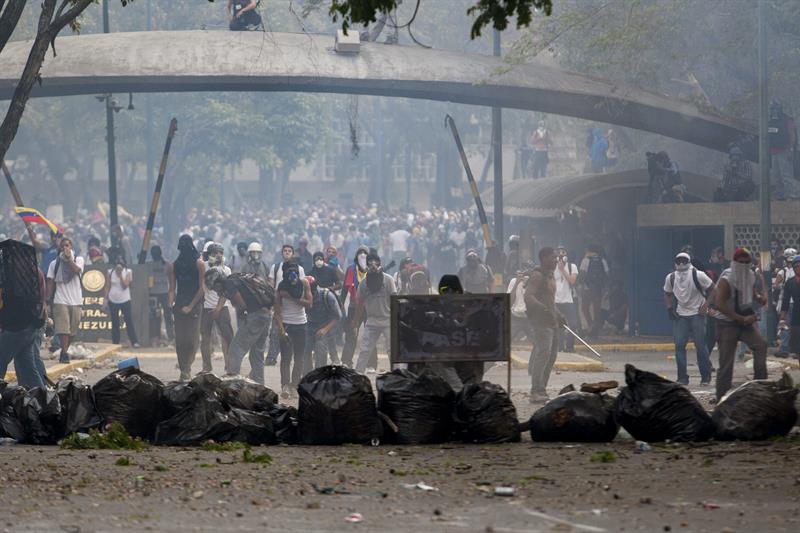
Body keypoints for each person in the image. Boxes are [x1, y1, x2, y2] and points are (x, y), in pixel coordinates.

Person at [713, 247, 768, 400]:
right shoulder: (727, 278)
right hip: (726, 323)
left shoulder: (750, 275)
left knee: (761, 345)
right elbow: (719, 304)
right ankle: (721, 397)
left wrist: (758, 298)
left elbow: (748, 291)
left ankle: (759, 390)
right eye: (740, 262)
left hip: (744, 321)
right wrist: (741, 318)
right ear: (735, 262)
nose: (743, 264)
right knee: (726, 363)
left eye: (746, 262)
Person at [205, 268, 274, 384]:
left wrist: (242, 314)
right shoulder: (237, 279)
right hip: (265, 315)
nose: (216, 291)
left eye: (215, 287)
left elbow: (241, 305)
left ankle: (233, 384)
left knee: (235, 349)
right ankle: (259, 384)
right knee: (257, 352)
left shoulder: (229, 284)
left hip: (255, 316)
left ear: (219, 281)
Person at [0, 240, 48, 389]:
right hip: (32, 325)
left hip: (17, 326)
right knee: (27, 366)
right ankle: (44, 401)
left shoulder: (13, 275)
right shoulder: (34, 272)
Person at [663, 252, 713, 386]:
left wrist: (706, 306)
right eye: (678, 260)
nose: (681, 263)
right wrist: (669, 308)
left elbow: (714, 289)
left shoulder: (698, 275)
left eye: (683, 260)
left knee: (700, 346)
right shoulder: (671, 277)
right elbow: (667, 293)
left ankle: (705, 376)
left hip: (697, 313)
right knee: (679, 345)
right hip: (681, 314)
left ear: (689, 261)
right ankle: (682, 378)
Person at [524, 247, 565, 403]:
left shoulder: (550, 276)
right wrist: (542, 308)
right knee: (543, 355)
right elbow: (528, 296)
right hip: (541, 323)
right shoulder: (537, 276)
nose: (556, 260)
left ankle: (542, 390)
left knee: (551, 357)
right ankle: (535, 391)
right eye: (553, 257)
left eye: (556, 258)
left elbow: (551, 302)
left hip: (552, 322)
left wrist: (559, 315)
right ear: (543, 258)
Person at [168, 235, 205, 381]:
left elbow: (202, 288)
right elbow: (172, 288)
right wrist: (170, 305)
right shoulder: (174, 265)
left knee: (191, 339)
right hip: (179, 304)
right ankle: (184, 369)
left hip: (195, 305)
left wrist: (191, 306)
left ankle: (187, 366)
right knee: (180, 339)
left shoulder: (199, 264)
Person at [274, 261, 312, 396]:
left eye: (294, 270)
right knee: (285, 358)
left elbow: (309, 304)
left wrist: (292, 297)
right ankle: (285, 385)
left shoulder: (304, 283)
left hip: (301, 324)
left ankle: (294, 385)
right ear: (284, 273)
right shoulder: (281, 287)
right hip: (287, 324)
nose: (292, 273)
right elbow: (277, 310)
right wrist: (281, 329)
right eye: (289, 270)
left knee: (299, 357)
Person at [354, 254, 396, 374]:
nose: (373, 263)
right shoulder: (363, 283)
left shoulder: (388, 280)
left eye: (375, 261)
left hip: (388, 320)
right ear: (366, 265)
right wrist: (356, 320)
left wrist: (396, 319)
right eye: (370, 261)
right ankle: (359, 374)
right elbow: (359, 303)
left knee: (391, 350)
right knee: (365, 350)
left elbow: (395, 299)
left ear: (379, 263)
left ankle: (398, 374)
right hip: (371, 320)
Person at [265, 244, 305, 366]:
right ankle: (271, 357)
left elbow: (302, 285)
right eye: (285, 251)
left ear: (292, 253)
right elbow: (271, 285)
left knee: (292, 331)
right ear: (282, 253)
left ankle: (289, 356)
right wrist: (272, 301)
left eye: (289, 251)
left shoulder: (300, 269)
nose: (287, 252)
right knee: (275, 331)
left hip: (294, 302)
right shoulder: (276, 267)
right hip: (279, 302)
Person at [46, 237, 84, 364]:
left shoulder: (79, 259)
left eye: (67, 245)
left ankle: (64, 350)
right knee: (63, 329)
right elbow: (50, 282)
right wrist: (47, 302)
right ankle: (65, 353)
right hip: (60, 299)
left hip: (76, 300)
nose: (65, 248)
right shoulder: (54, 264)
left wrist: (68, 259)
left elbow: (77, 270)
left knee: (72, 330)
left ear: (71, 247)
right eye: (62, 246)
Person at [200, 243, 234, 374]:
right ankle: (206, 366)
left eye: (220, 253)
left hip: (222, 307)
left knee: (227, 337)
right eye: (215, 253)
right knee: (205, 338)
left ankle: (230, 366)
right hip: (207, 307)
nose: (218, 255)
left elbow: (225, 291)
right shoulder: (203, 266)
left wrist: (218, 309)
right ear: (209, 255)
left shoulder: (227, 270)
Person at [341, 245, 370, 368]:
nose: (362, 255)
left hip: (369, 308)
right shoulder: (351, 269)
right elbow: (345, 289)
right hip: (354, 306)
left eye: (365, 253)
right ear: (356, 256)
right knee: (351, 334)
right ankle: (346, 361)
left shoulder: (372, 269)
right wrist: (341, 303)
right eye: (360, 253)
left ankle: (371, 364)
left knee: (370, 336)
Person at [305, 275, 342, 368]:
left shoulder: (327, 296)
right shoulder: (302, 295)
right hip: (309, 326)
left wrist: (325, 329)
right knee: (305, 350)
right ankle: (307, 375)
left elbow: (338, 316)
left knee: (321, 349)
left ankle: (320, 373)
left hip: (325, 326)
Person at [104, 255, 140, 348]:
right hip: (113, 299)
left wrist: (120, 275)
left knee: (128, 320)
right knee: (115, 322)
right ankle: (115, 342)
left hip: (125, 299)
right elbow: (107, 286)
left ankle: (134, 341)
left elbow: (125, 285)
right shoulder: (110, 272)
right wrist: (105, 299)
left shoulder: (128, 272)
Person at [768, 102, 797, 200]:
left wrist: (791, 149)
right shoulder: (770, 121)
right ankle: (780, 194)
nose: (774, 111)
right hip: (774, 151)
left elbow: (792, 134)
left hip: (785, 151)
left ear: (780, 109)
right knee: (776, 174)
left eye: (776, 109)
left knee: (786, 174)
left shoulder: (787, 120)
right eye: (772, 109)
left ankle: (791, 194)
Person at [579, 245, 608, 337]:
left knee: (584, 308)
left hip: (587, 288)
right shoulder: (602, 260)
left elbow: (582, 274)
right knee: (597, 311)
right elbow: (607, 274)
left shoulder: (586, 260)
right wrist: (603, 287)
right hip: (598, 289)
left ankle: (591, 325)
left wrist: (582, 286)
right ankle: (595, 331)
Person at [554, 246, 579, 352]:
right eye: (558, 253)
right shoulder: (552, 267)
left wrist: (562, 270)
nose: (561, 254)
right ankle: (560, 347)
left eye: (563, 252)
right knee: (559, 325)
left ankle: (569, 347)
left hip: (568, 300)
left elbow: (572, 281)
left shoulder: (572, 266)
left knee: (573, 324)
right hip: (555, 300)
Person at [148, 245, 174, 346]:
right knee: (163, 317)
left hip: (158, 294)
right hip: (161, 293)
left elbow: (171, 281)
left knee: (157, 317)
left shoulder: (165, 265)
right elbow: (171, 282)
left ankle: (161, 337)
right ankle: (167, 337)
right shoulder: (167, 264)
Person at [779, 256, 800, 359]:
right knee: (796, 340)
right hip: (796, 313)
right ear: (794, 268)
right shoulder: (790, 282)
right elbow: (785, 301)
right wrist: (782, 318)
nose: (799, 268)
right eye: (797, 266)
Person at [507, 262, 533, 343]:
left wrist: (528, 284)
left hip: (529, 318)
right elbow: (509, 302)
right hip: (515, 316)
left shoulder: (534, 282)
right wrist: (517, 283)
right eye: (524, 269)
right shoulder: (513, 281)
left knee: (537, 343)